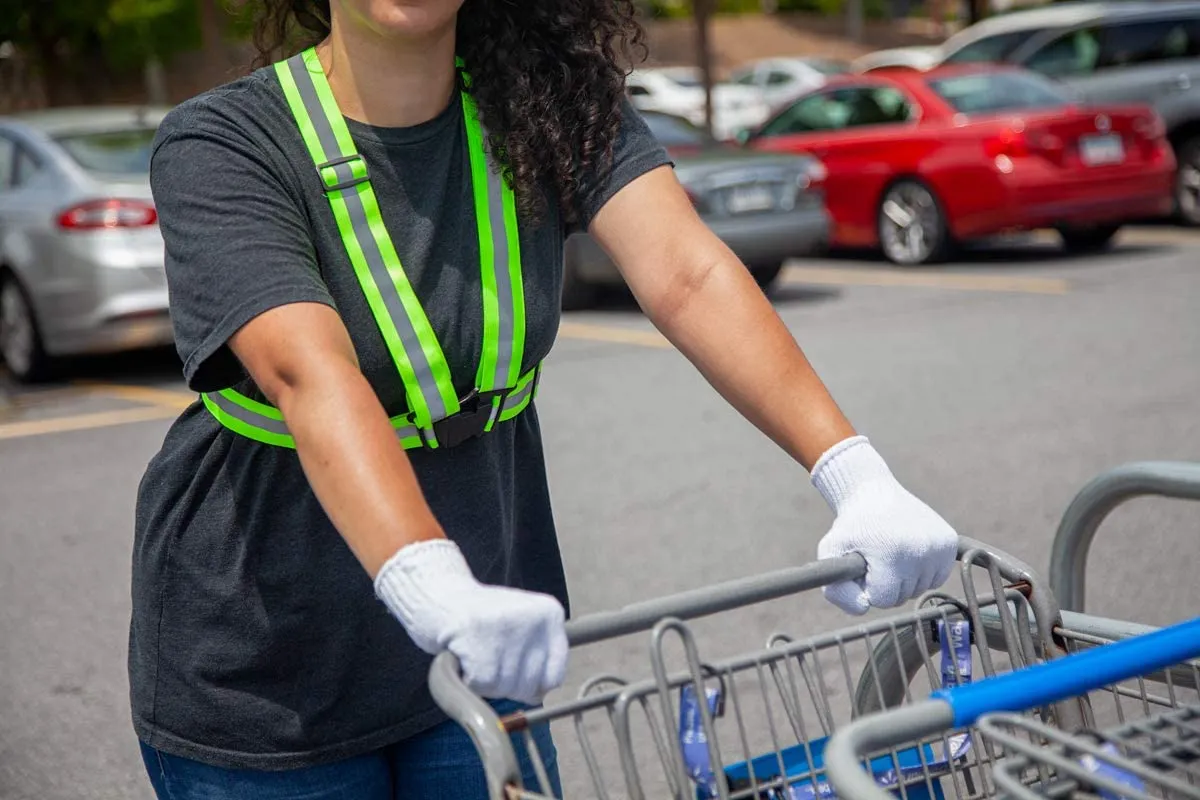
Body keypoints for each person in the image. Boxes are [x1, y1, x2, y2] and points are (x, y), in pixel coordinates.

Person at [128, 0, 960, 797]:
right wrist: (426, 578)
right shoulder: (223, 141)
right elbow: (309, 373)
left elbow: (688, 274)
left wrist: (854, 473)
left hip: (485, 640)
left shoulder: (546, 98)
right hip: (272, 676)